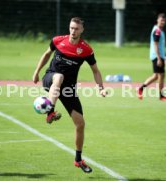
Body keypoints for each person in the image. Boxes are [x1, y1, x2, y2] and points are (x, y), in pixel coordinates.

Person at [32, 17, 107, 173]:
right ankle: (50, 111)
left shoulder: (86, 49)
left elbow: (96, 70)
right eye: (71, 28)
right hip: (50, 78)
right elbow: (46, 54)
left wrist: (101, 88)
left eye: (76, 29)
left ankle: (78, 160)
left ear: (82, 30)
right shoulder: (58, 41)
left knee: (80, 124)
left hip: (68, 89)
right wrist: (36, 72)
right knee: (59, 77)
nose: (73, 31)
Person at [138, 13, 166, 101]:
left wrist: (165, 56)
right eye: (161, 20)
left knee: (156, 76)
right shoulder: (157, 31)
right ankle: (161, 96)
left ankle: (141, 88)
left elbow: (161, 46)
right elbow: (155, 45)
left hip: (159, 56)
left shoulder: (160, 31)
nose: (163, 22)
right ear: (157, 20)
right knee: (161, 75)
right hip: (157, 56)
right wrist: (159, 58)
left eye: (164, 21)